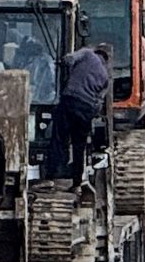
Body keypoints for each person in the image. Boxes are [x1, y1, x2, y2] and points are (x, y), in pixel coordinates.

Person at [48, 42, 112, 183]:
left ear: (97, 51)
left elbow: (69, 59)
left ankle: (52, 173)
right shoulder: (105, 77)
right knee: (79, 145)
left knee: (60, 137)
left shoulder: (87, 53)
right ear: (107, 59)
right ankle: (76, 180)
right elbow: (98, 103)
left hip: (70, 100)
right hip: (86, 109)